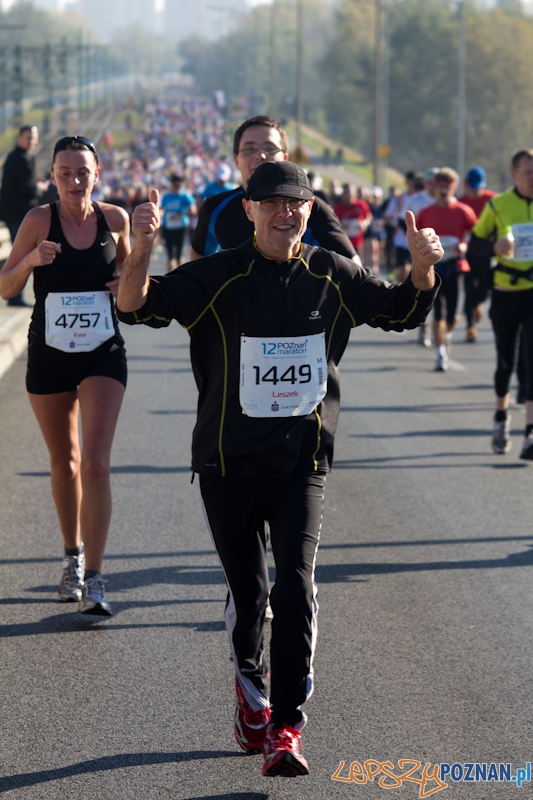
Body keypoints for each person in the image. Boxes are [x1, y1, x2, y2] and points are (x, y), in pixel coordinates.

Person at [117, 161, 442, 778]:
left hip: (302, 462)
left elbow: (401, 311)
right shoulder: (217, 275)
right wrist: (140, 251)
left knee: (295, 586)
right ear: (248, 210)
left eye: (294, 205)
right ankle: (250, 690)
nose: (283, 214)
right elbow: (136, 308)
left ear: (308, 209)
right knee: (252, 593)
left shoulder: (331, 274)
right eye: (270, 204)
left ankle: (286, 725)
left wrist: (423, 271)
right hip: (227, 461)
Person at [0, 135, 131, 615]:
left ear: (98, 174)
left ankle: (95, 578)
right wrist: (33, 259)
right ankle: (71, 558)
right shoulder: (39, 220)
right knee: (66, 464)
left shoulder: (114, 220)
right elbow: (5, 285)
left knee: (96, 463)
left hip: (102, 352)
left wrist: (129, 277)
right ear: (51, 176)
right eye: (65, 173)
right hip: (50, 353)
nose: (75, 181)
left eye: (83, 172)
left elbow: (133, 293)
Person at [189, 115, 359, 263]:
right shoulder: (215, 207)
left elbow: (352, 265)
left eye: (270, 148)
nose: (260, 155)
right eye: (249, 148)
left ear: (285, 158)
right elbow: (198, 258)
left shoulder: (309, 207)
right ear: (236, 159)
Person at [467, 149, 533, 459]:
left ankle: (530, 432)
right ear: (514, 175)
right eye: (528, 173)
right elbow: (475, 245)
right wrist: (494, 246)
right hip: (506, 293)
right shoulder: (498, 205)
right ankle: (501, 418)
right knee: (505, 361)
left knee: (531, 360)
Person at [416, 167, 477, 371]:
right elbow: (416, 237)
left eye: (447, 187)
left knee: (452, 315)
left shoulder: (463, 211)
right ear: (435, 188)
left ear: (453, 188)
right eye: (440, 186)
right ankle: (440, 353)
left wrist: (464, 246)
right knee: (438, 312)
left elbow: (473, 235)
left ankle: (447, 335)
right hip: (434, 268)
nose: (443, 190)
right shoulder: (426, 212)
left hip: (456, 266)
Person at [0, 125, 40, 306]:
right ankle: (15, 297)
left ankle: (15, 296)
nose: (31, 141)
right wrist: (40, 188)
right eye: (27, 137)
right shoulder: (20, 158)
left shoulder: (17, 156)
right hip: (18, 215)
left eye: (33, 137)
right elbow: (28, 187)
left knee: (20, 256)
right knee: (21, 257)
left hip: (16, 214)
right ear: (19, 138)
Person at [458, 166, 496, 342]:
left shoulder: (493, 200)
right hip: (466, 250)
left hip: (486, 250)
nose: (475, 190)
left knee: (484, 288)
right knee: (468, 288)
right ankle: (470, 326)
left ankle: (476, 305)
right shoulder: (461, 201)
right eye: (472, 187)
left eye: (478, 186)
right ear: (466, 185)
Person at [160, 174, 198, 269]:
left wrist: (179, 214)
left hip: (180, 228)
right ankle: (169, 279)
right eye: (175, 186)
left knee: (179, 255)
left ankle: (180, 278)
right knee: (170, 256)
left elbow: (193, 210)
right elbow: (162, 210)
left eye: (179, 186)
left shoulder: (185, 196)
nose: (177, 188)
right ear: (171, 185)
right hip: (168, 228)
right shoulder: (166, 196)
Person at [333, 183, 372, 262]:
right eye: (346, 193)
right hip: (342, 242)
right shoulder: (338, 208)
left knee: (358, 265)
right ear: (342, 194)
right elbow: (333, 223)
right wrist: (342, 226)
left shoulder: (361, 205)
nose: (348, 196)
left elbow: (369, 217)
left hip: (357, 242)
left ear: (354, 194)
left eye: (350, 193)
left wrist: (365, 223)